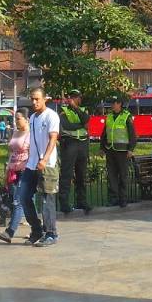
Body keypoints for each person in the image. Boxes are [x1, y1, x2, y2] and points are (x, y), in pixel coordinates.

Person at [25, 88, 60, 246]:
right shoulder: (32, 117)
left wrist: (45, 159)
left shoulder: (51, 116)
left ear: (45, 99)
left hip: (47, 164)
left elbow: (53, 139)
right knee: (23, 197)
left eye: (37, 99)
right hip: (31, 164)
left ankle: (51, 233)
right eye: (32, 99)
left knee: (47, 199)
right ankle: (36, 229)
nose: (34, 102)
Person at [57, 89, 93, 217]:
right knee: (66, 175)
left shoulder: (83, 110)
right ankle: (64, 203)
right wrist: (81, 125)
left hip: (82, 144)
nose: (75, 99)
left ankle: (81, 201)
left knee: (81, 176)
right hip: (69, 144)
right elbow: (66, 126)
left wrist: (76, 109)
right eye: (72, 97)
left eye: (77, 97)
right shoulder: (63, 111)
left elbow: (86, 120)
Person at [0, 110, 30, 240]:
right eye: (15, 119)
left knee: (18, 201)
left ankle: (10, 231)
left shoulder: (30, 134)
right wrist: (7, 170)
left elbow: (32, 154)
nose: (16, 122)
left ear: (27, 119)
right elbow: (11, 153)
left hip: (25, 171)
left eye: (19, 119)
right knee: (28, 201)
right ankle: (37, 228)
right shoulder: (16, 132)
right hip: (13, 171)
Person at [100, 96, 136, 207]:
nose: (112, 105)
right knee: (111, 176)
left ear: (119, 103)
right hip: (110, 150)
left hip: (123, 151)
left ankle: (123, 199)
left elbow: (132, 135)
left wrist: (130, 149)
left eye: (114, 103)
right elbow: (104, 134)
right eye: (111, 103)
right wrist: (102, 148)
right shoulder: (109, 117)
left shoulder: (126, 116)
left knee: (123, 175)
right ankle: (113, 199)